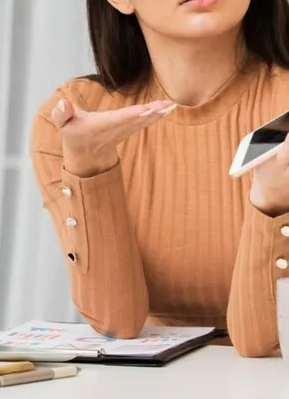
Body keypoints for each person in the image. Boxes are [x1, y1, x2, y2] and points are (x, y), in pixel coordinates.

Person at [31, 0, 289, 358]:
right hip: (148, 385)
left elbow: (262, 340)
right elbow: (116, 321)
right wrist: (90, 167)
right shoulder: (75, 117)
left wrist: (273, 201)